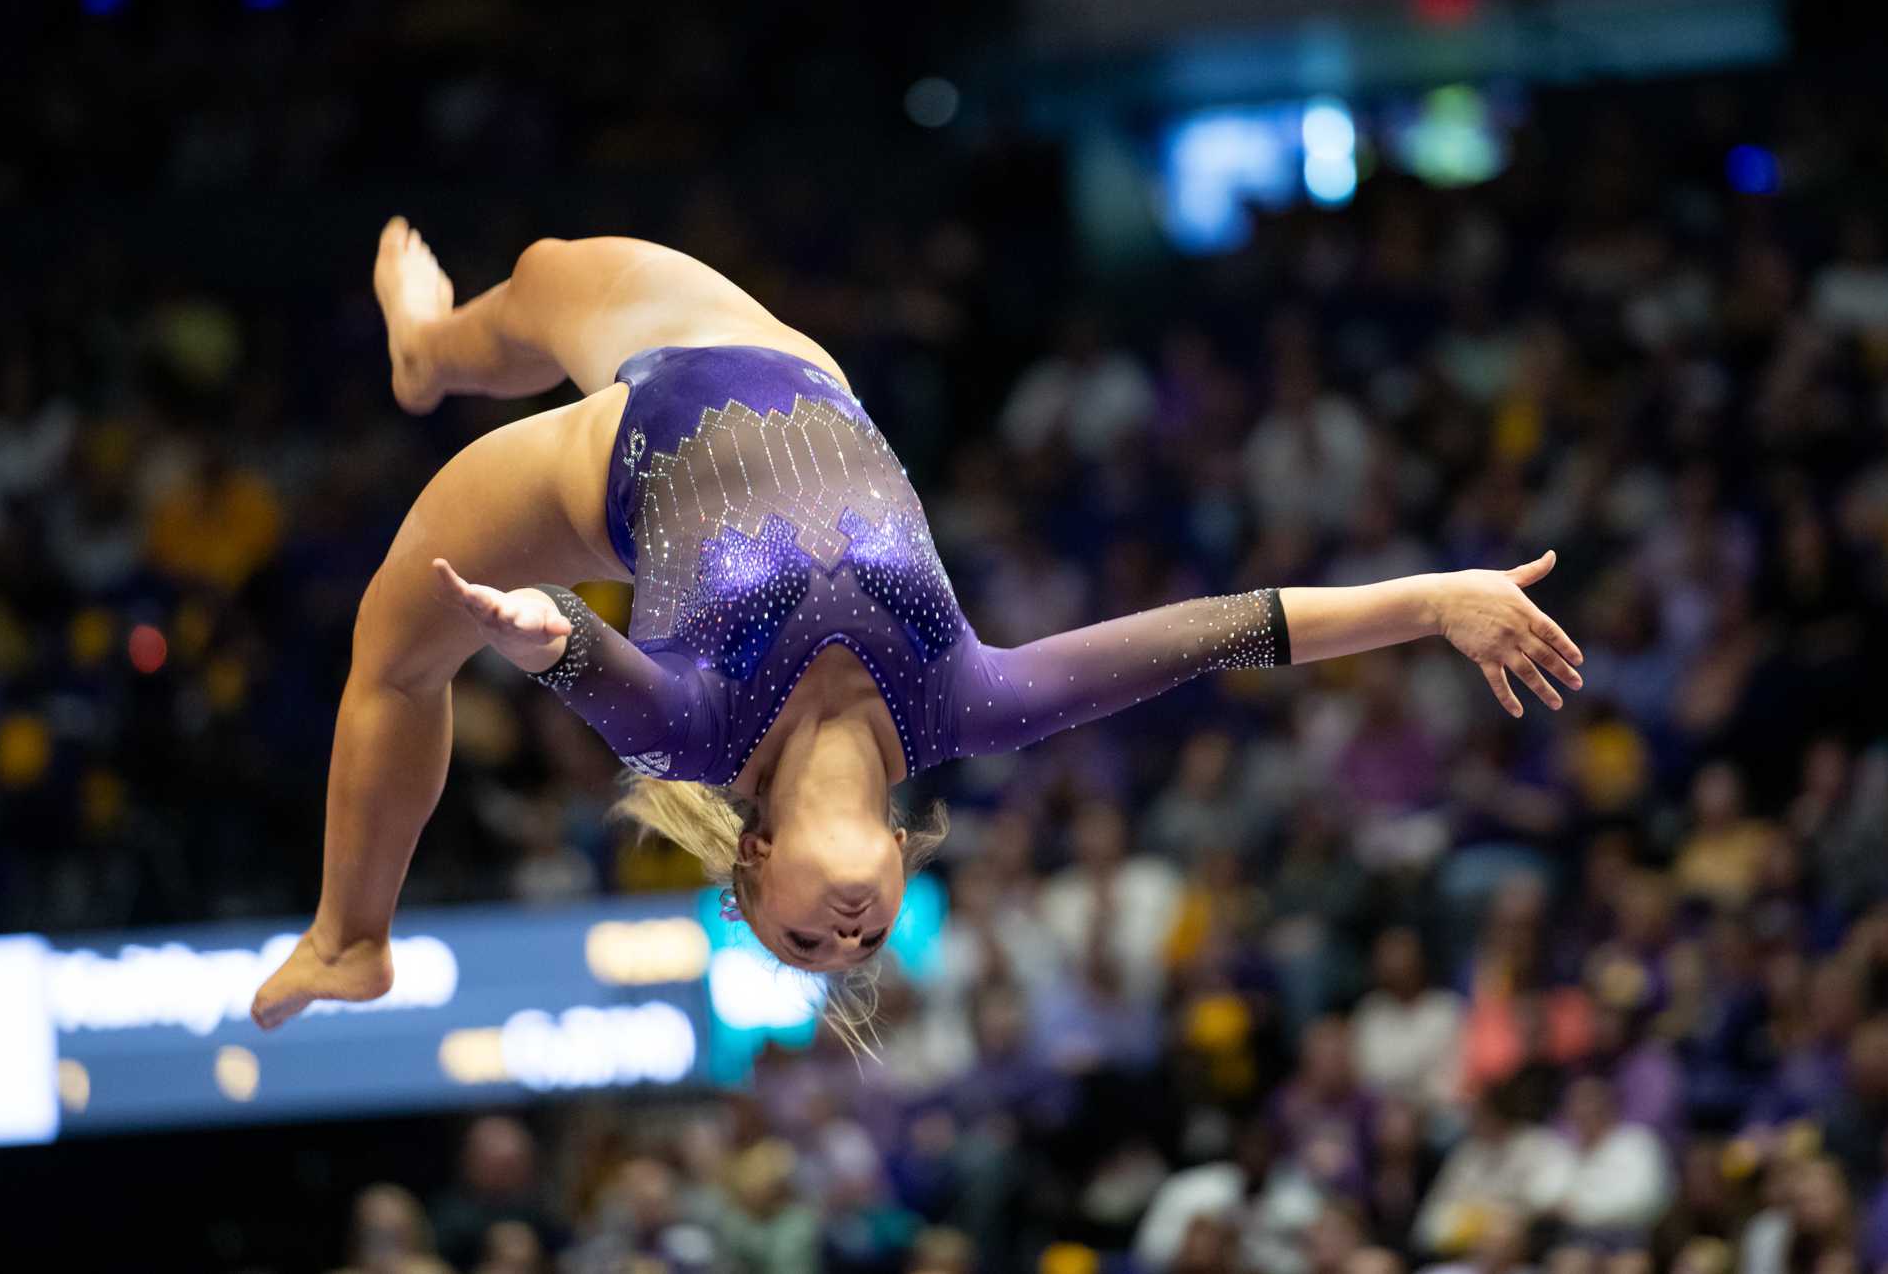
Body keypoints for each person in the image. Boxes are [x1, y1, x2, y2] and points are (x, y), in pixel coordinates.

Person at [251, 222, 1584, 1030]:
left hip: (600, 465)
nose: (843, 932)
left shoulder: (702, 735)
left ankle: (352, 934)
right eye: (864, 939)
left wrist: (533, 632)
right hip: (770, 360)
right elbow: (1231, 629)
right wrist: (1435, 600)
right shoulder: (969, 702)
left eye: (799, 936)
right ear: (896, 871)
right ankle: (427, 353)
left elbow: (578, 659)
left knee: (393, 651)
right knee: (540, 277)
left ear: (754, 863)